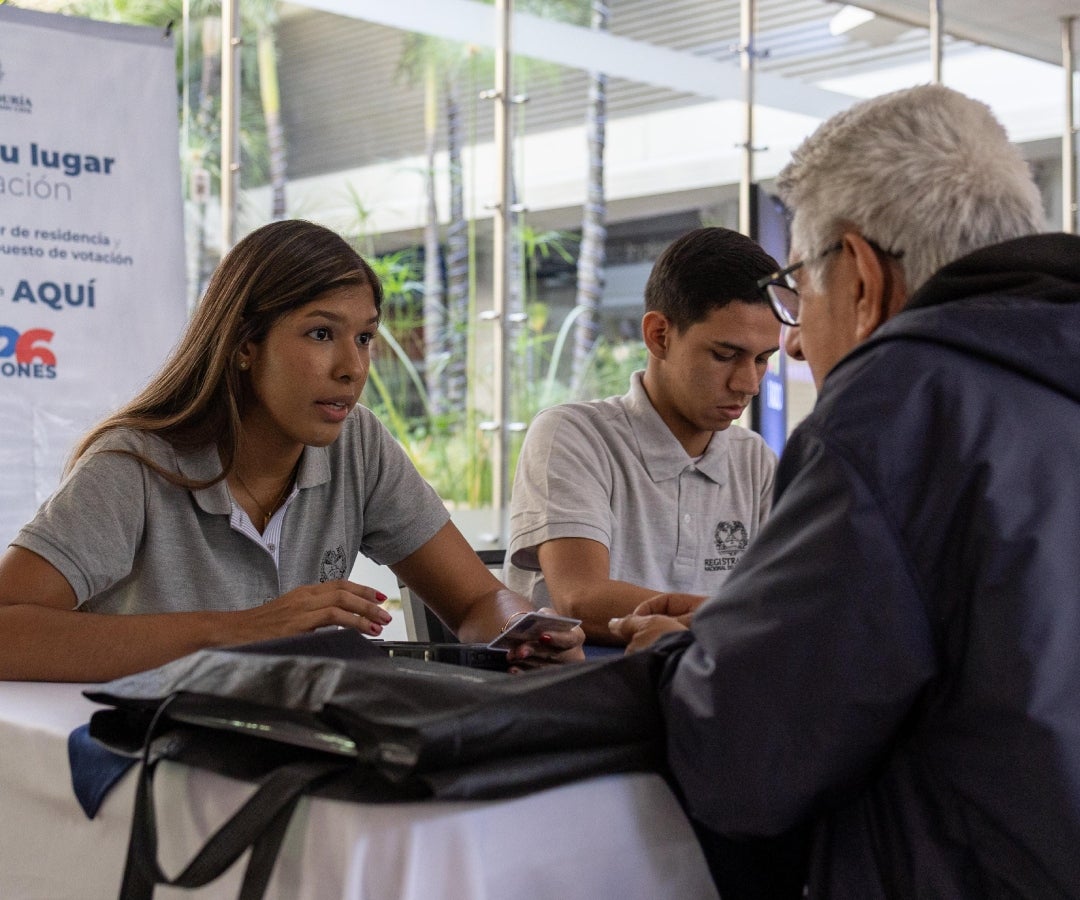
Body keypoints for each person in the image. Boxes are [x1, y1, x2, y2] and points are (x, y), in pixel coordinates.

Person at [610, 83, 1080, 897]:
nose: (789, 349)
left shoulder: (900, 405)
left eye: (797, 288)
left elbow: (745, 757)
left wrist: (687, 659)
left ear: (861, 277)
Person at [0, 219, 584, 682]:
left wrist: (524, 629)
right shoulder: (135, 465)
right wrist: (240, 630)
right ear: (246, 344)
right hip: (136, 768)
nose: (352, 368)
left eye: (364, 338)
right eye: (321, 333)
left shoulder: (359, 444)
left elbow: (478, 599)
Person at [505, 226, 781, 644]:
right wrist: (730, 622)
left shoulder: (754, 460)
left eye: (762, 360)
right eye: (725, 355)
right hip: (583, 692)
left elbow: (783, 602)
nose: (749, 383)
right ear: (659, 335)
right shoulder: (574, 436)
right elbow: (580, 599)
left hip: (704, 693)